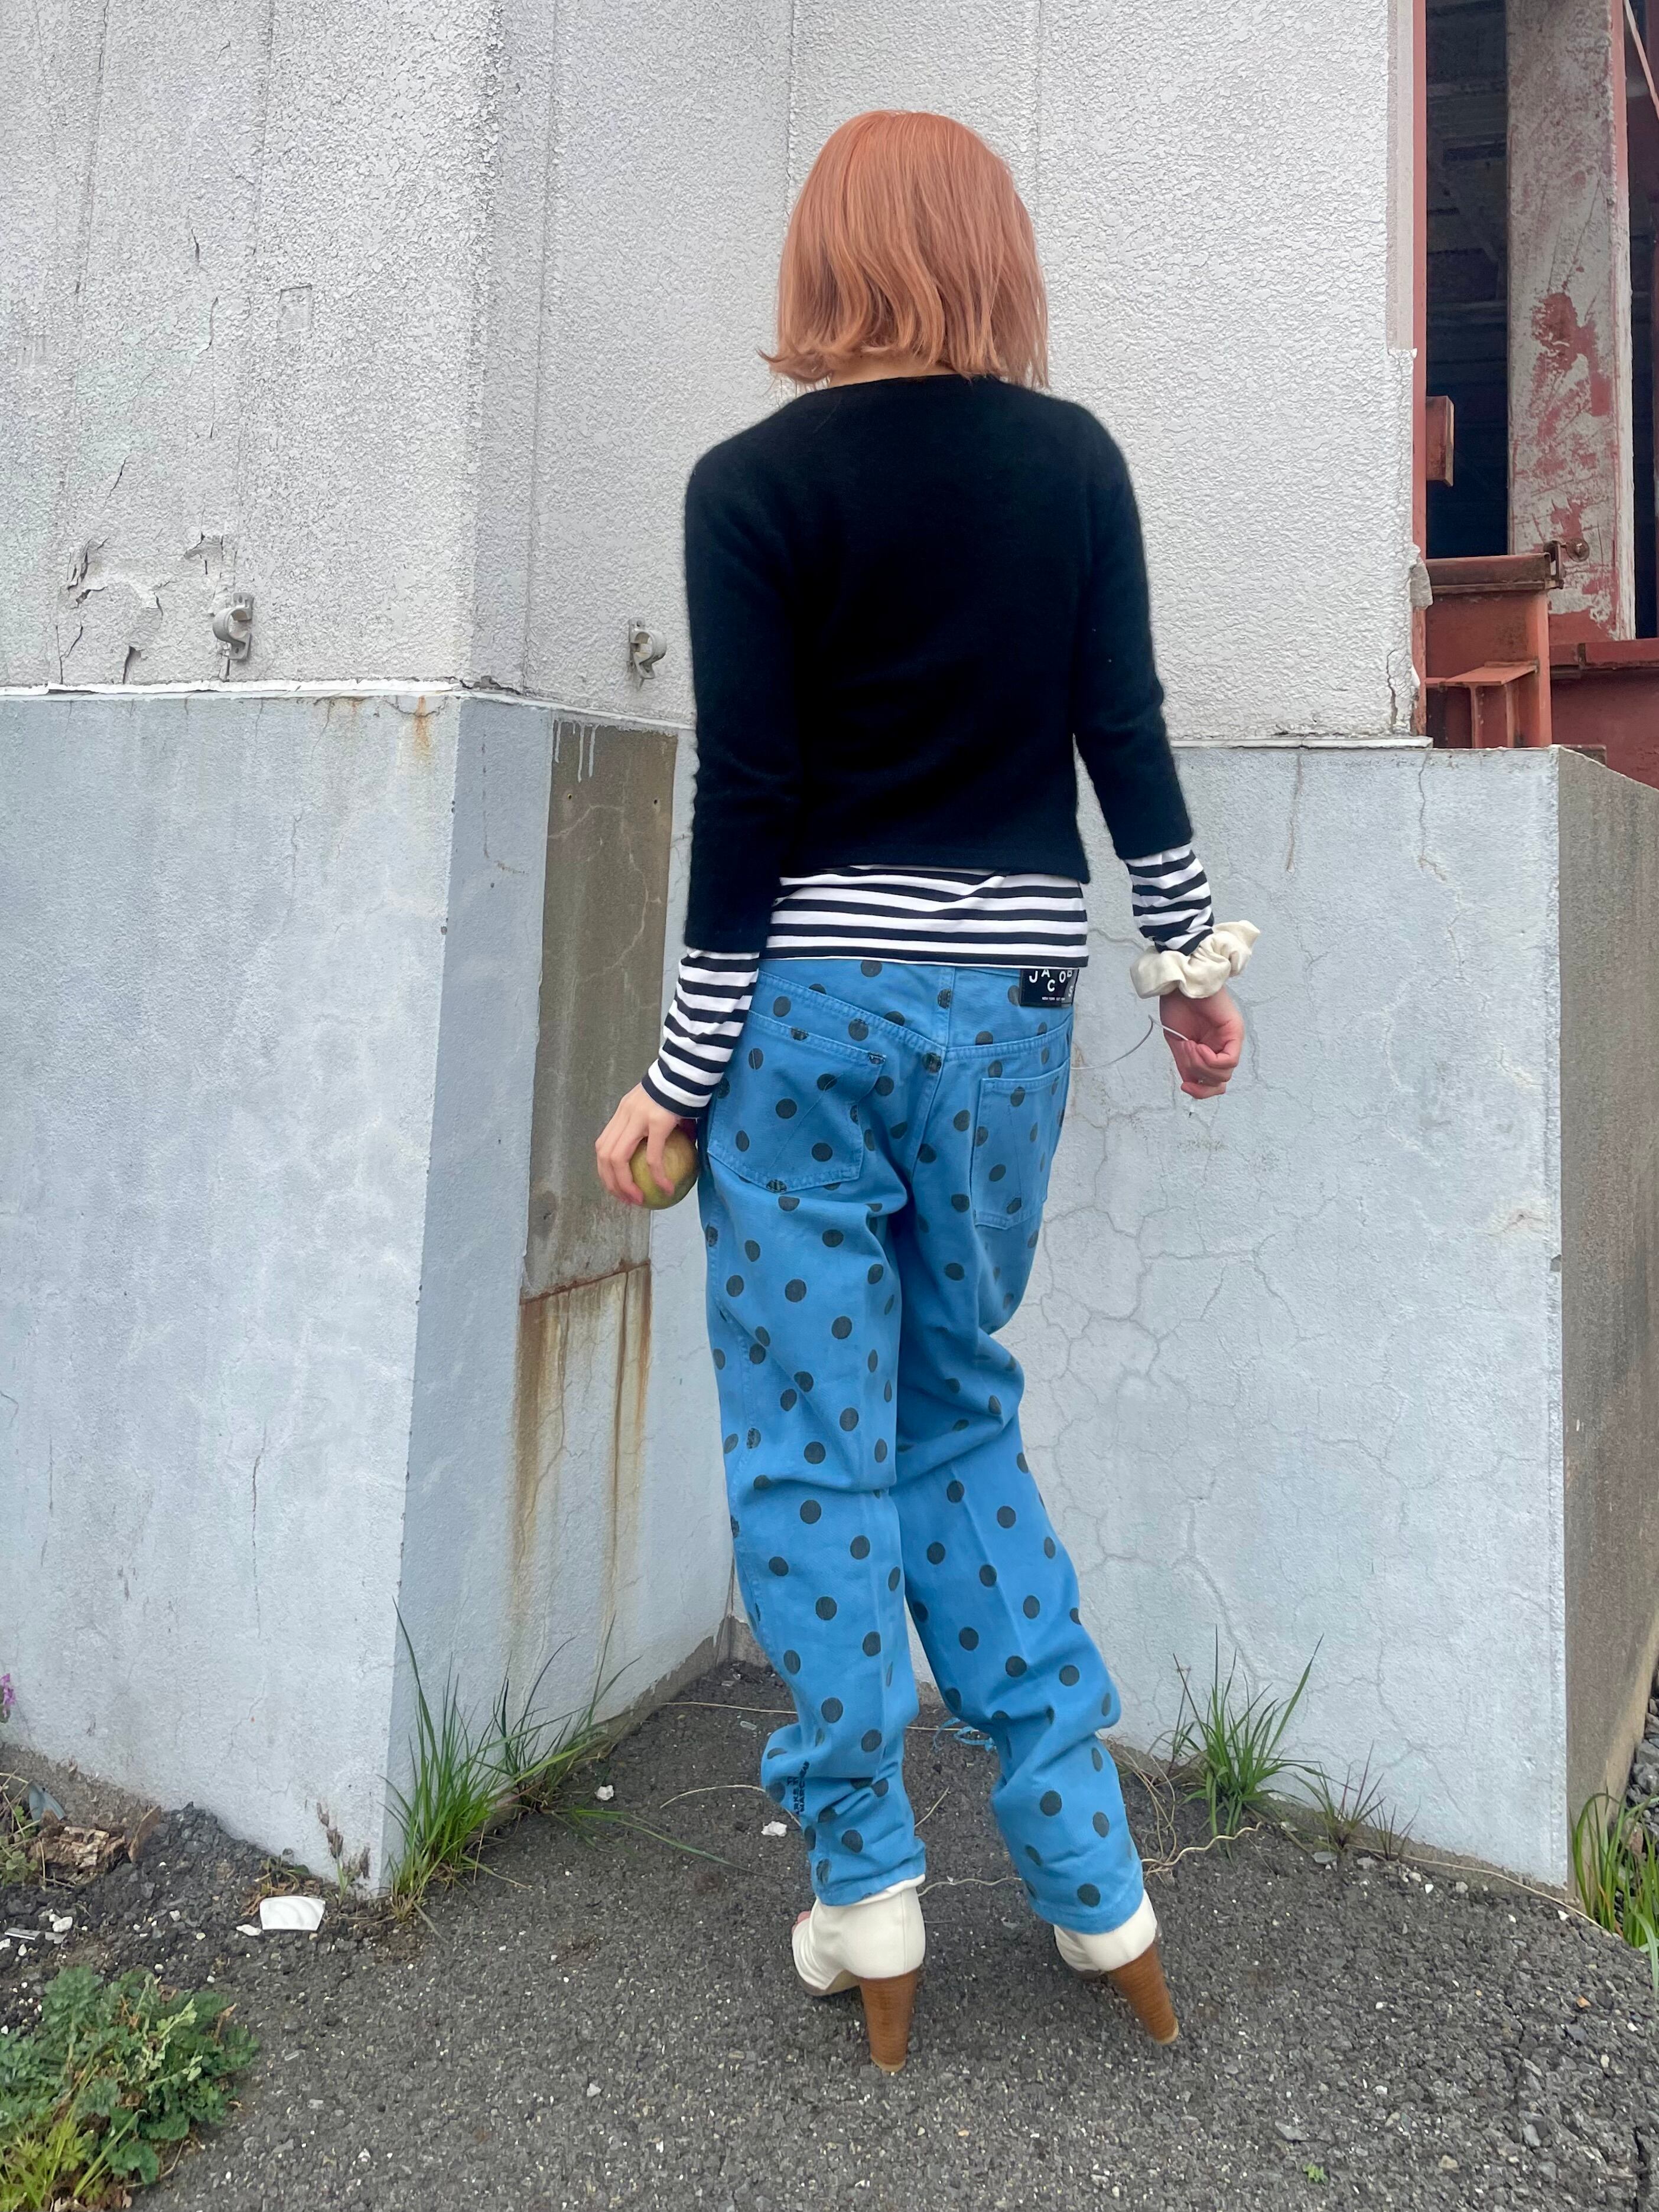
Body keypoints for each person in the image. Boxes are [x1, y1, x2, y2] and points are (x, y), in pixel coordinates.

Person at [596, 109, 1255, 2073]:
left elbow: (750, 802)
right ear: (993, 257)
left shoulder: (748, 488)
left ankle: (868, 1882)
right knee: (957, 1405)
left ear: (822, 261)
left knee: (813, 1446)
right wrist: (1190, 967)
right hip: (1015, 1011)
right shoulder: (1076, 465)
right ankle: (1092, 1874)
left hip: (808, 1022)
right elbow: (1123, 729)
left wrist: (677, 1079)